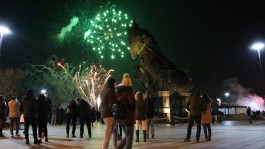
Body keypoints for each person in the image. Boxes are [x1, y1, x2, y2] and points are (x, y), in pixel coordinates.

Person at [116, 73, 136, 149]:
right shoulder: (129, 92)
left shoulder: (118, 93)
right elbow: (132, 104)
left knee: (127, 136)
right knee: (129, 137)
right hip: (128, 118)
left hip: (121, 119)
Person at [100, 77, 116, 149]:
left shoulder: (103, 90)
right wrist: (114, 112)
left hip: (104, 113)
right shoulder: (111, 90)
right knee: (108, 134)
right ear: (113, 83)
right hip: (109, 114)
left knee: (112, 132)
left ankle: (116, 146)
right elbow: (111, 104)